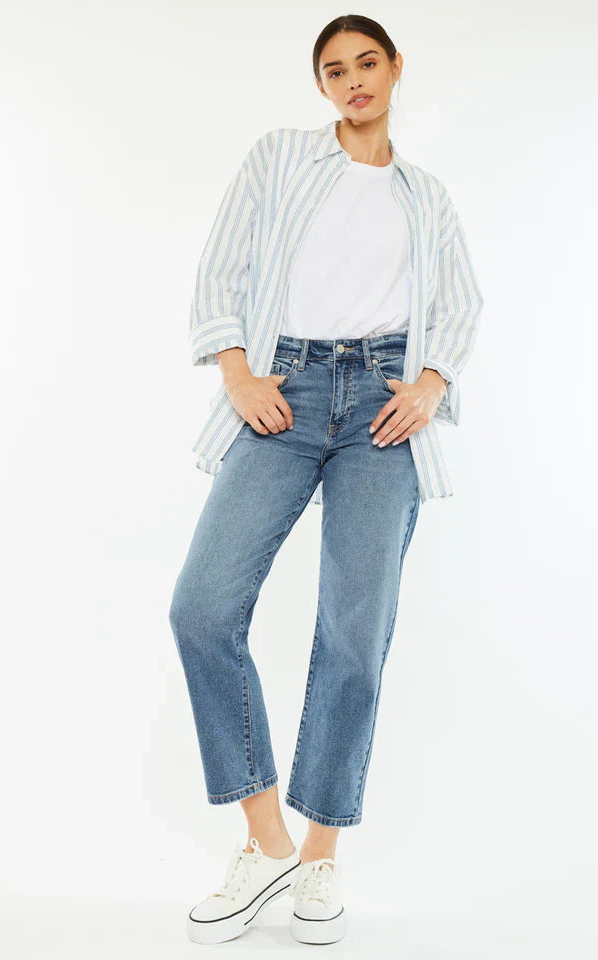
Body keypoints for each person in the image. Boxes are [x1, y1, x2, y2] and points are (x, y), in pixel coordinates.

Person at [169, 13, 484, 947]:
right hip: (285, 391)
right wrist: (238, 375)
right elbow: (221, 271)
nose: (353, 81)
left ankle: (318, 859)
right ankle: (267, 844)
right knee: (201, 609)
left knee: (355, 634)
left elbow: (461, 305)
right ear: (321, 86)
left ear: (395, 69)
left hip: (383, 408)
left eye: (367, 63)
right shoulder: (278, 158)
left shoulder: (427, 197)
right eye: (335, 70)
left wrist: (431, 384)